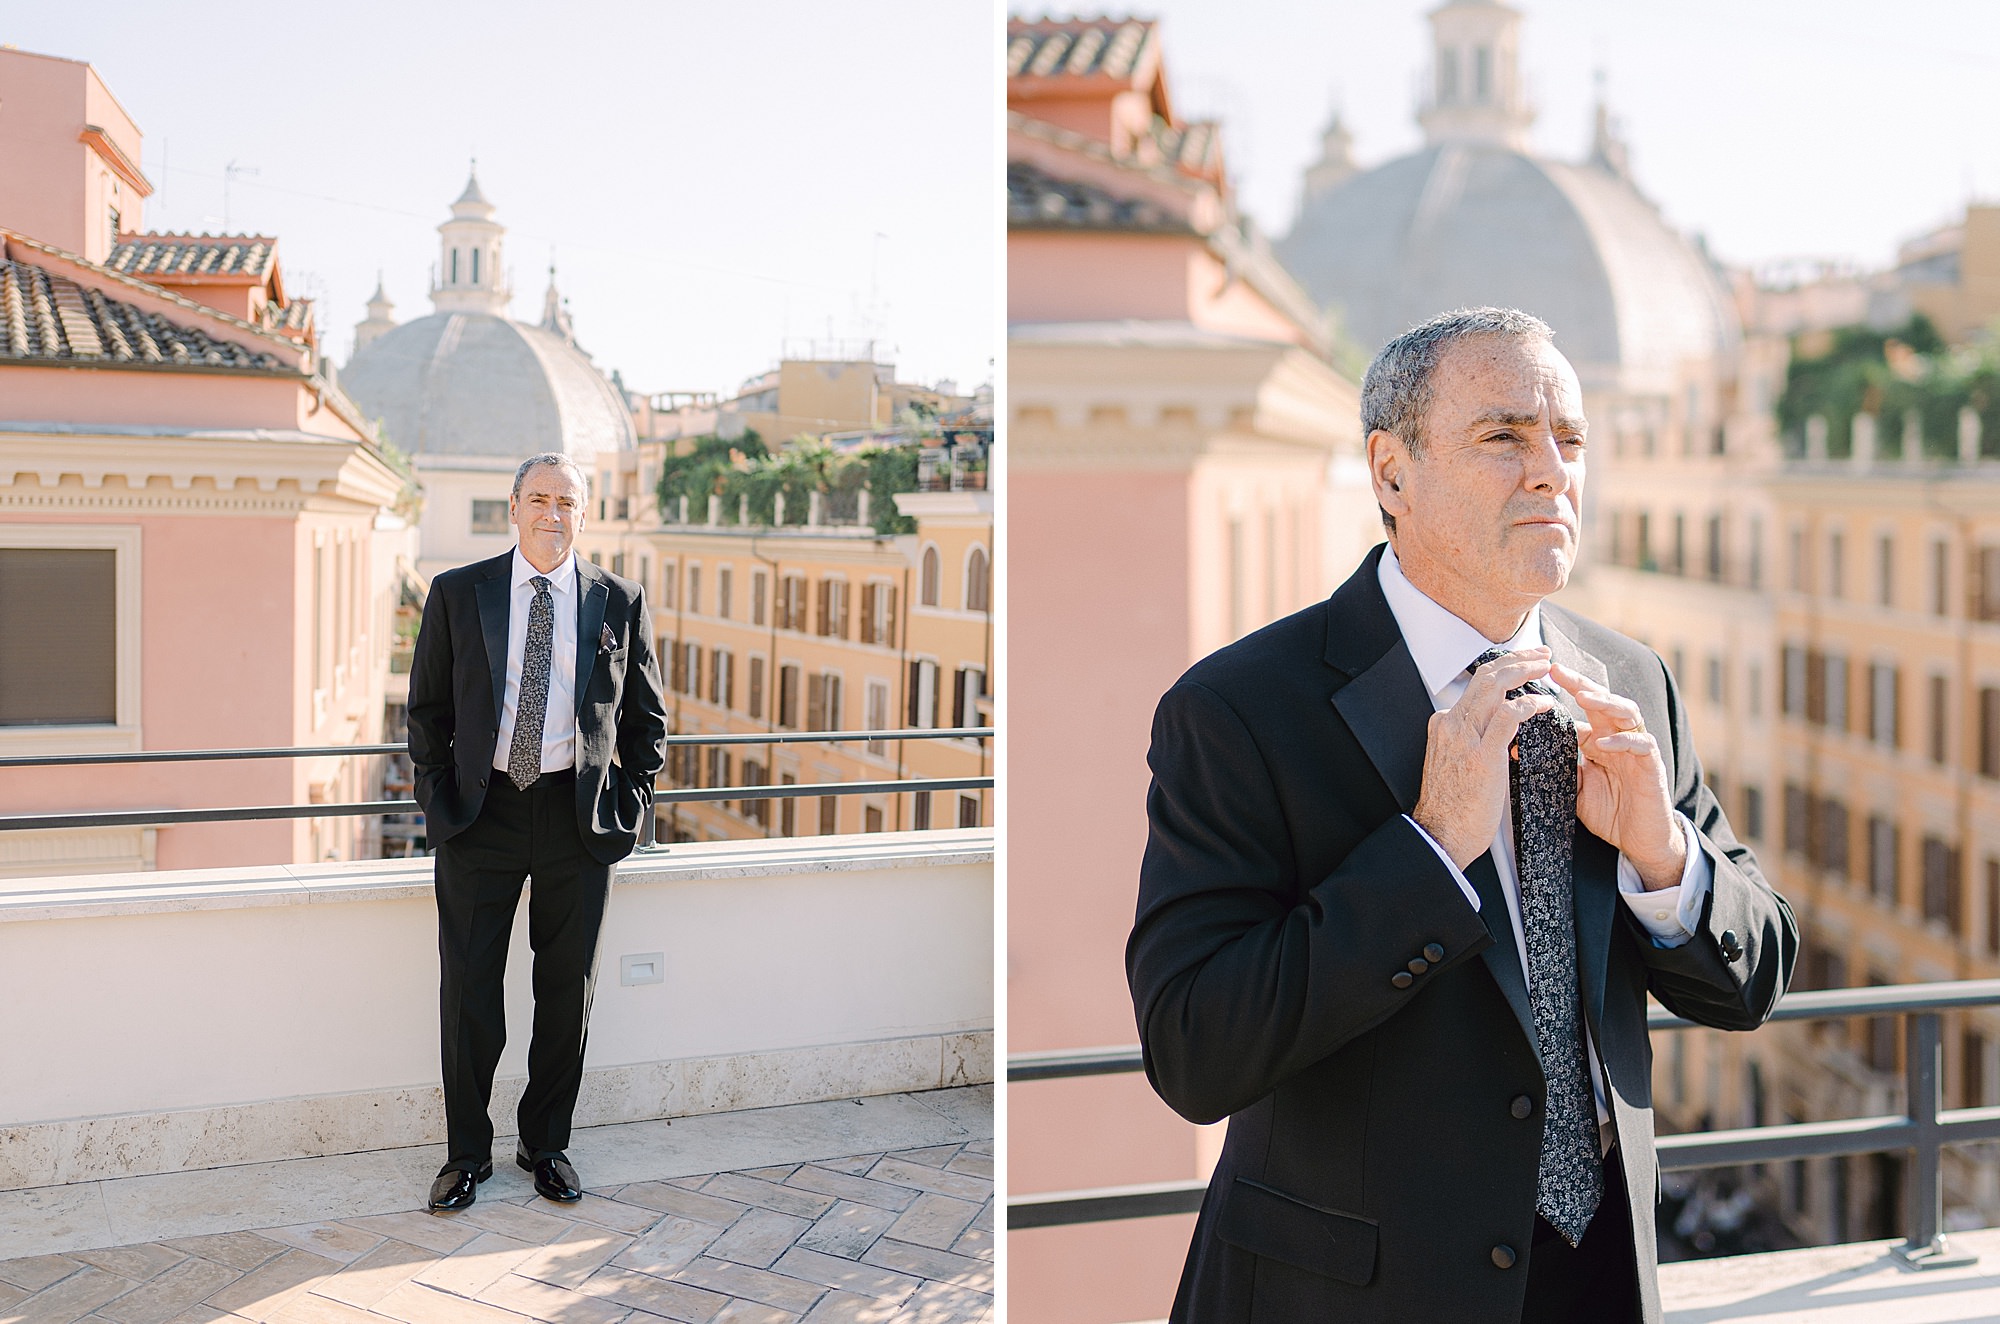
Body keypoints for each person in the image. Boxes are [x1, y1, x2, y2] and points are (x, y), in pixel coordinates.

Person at [1127, 307, 1797, 1322]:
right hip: (1349, 1299)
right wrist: (1427, 850)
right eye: (1504, 437)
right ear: (1390, 473)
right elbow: (1192, 1050)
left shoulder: (1629, 678)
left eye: (1568, 439)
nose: (1551, 471)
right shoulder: (1237, 710)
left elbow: (1752, 978)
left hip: (1600, 1280)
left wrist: (1663, 857)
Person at [407, 451, 666, 1211]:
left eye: (568, 503)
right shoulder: (459, 593)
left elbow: (646, 722)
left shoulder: (619, 599)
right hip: (479, 816)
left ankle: (544, 1145)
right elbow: (426, 715)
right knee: (469, 992)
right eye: (540, 499)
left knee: (566, 993)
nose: (553, 514)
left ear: (585, 515)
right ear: (513, 506)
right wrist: (438, 800)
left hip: (574, 817)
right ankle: (465, 1155)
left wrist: (630, 800)